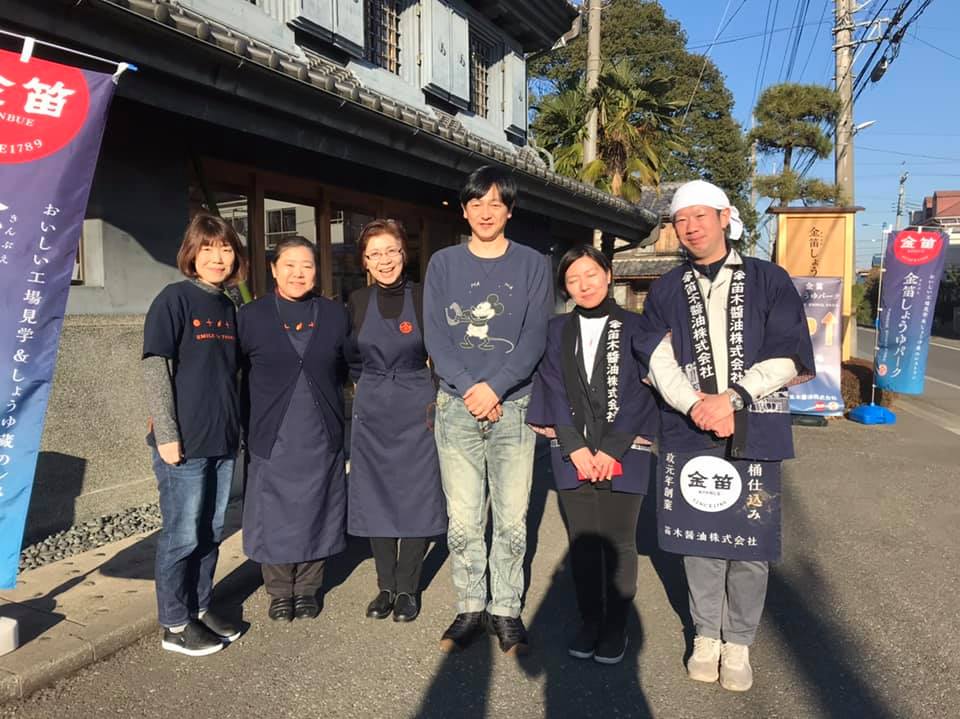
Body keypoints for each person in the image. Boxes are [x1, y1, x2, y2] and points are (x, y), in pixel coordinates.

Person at [639, 180, 814, 691]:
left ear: (724, 217)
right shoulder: (667, 289)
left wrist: (732, 398)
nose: (690, 227)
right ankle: (706, 635)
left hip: (754, 422)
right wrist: (696, 404)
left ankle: (738, 641)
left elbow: (789, 352)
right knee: (700, 539)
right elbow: (655, 355)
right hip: (689, 427)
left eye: (700, 216)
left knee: (750, 542)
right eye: (681, 220)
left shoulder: (768, 279)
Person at [423, 165, 553, 655]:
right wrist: (469, 388)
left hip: (514, 406)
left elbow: (535, 337)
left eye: (495, 203)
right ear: (464, 210)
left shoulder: (532, 264)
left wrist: (494, 388)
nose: (485, 212)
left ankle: (506, 609)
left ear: (509, 210)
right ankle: (470, 605)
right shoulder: (443, 263)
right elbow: (436, 335)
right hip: (456, 407)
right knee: (463, 519)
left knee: (513, 518)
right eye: (476, 203)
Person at [526, 245, 659, 665]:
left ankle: (616, 626)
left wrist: (611, 448)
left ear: (608, 274)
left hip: (626, 447)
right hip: (573, 450)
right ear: (564, 287)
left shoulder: (637, 326)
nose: (583, 285)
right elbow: (551, 385)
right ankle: (589, 620)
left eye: (591, 274)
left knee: (620, 541)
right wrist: (576, 447)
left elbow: (643, 390)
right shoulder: (555, 330)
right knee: (582, 542)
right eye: (573, 279)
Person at [142, 213, 248, 656]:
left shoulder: (229, 306)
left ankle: (200, 607)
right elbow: (155, 368)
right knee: (181, 535)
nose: (218, 257)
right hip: (182, 443)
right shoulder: (174, 299)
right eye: (208, 248)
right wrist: (167, 434)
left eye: (225, 249)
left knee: (210, 532)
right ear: (192, 253)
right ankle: (174, 623)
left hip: (221, 438)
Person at [237, 235, 350, 622]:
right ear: (273, 269)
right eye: (289, 265)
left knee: (318, 505)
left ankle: (308, 588)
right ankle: (280, 590)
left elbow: (344, 367)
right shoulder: (251, 316)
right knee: (273, 511)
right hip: (272, 432)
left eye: (307, 265)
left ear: (317, 272)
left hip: (320, 430)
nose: (298, 273)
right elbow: (236, 373)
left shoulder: (334, 315)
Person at [346, 219, 446, 623]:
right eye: (375, 254)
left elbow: (442, 353)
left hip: (416, 404)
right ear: (365, 261)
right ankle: (385, 585)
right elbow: (350, 357)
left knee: (416, 494)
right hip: (372, 406)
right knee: (375, 494)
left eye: (391, 251)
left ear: (404, 253)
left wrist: (434, 397)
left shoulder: (423, 297)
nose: (384, 260)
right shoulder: (356, 301)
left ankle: (407, 587)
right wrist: (369, 385)